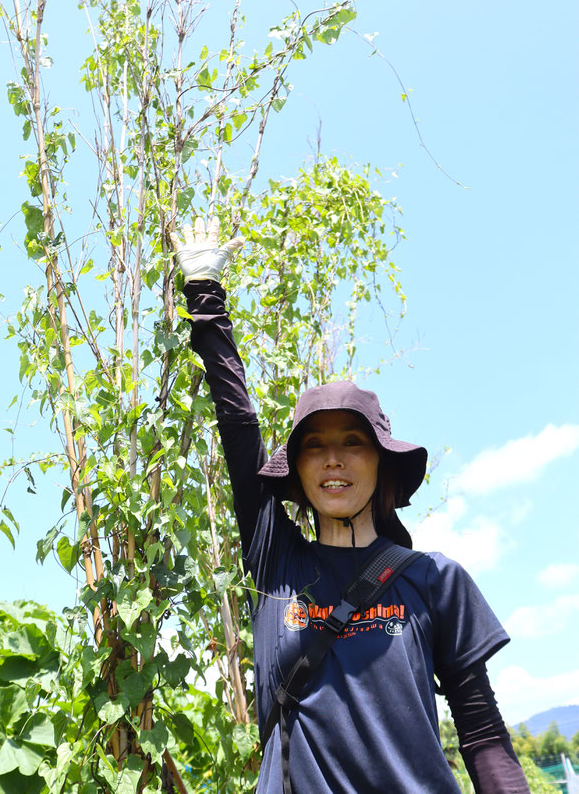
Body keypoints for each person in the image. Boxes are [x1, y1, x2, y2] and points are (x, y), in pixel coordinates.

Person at [171, 217, 530, 794]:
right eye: (314, 446)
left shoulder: (436, 582)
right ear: (298, 469)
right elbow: (238, 428)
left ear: (382, 461)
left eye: (353, 443)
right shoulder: (276, 562)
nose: (333, 460)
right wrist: (206, 297)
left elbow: (482, 731)